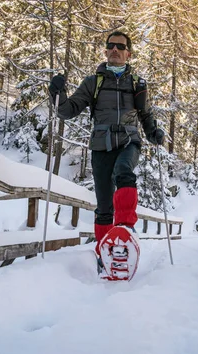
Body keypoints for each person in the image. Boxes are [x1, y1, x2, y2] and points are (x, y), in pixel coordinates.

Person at [48, 31, 164, 262]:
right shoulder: (93, 82)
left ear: (128, 54)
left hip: (129, 140)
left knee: (124, 172)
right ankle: (104, 251)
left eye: (120, 47)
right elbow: (67, 111)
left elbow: (146, 114)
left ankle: (124, 231)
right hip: (101, 144)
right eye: (111, 46)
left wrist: (153, 133)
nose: (115, 50)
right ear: (105, 51)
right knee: (103, 205)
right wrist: (57, 92)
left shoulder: (137, 84)